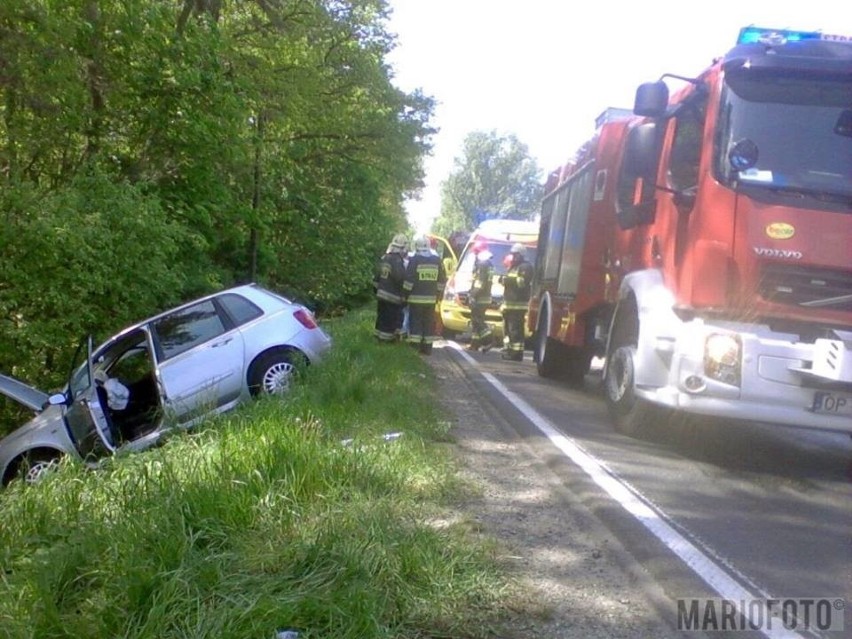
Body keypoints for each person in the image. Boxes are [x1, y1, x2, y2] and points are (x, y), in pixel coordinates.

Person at [403, 235, 446, 355]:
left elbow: (409, 280)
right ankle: (427, 348)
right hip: (431, 300)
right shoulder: (436, 260)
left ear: (417, 246)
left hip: (416, 299)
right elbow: (442, 280)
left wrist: (405, 295)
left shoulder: (415, 259)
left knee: (415, 322)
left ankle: (415, 347)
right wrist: (438, 295)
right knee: (428, 323)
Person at [500, 243, 534, 361]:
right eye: (512, 254)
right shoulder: (513, 266)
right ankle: (509, 350)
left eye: (515, 255)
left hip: (518, 306)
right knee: (508, 330)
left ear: (521, 255)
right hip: (509, 305)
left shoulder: (525, 267)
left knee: (515, 331)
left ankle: (516, 354)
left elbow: (521, 283)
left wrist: (506, 280)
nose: (513, 257)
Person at [373, 233, 408, 343]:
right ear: (402, 248)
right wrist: (404, 294)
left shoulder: (385, 258)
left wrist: (377, 291)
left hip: (381, 295)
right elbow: (399, 278)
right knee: (389, 320)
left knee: (381, 318)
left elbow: (376, 277)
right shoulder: (397, 261)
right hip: (392, 297)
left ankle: (378, 338)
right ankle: (386, 342)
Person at [468, 244, 494, 352]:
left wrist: (472, 295)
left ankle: (489, 340)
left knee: (477, 320)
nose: (475, 255)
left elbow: (480, 283)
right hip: (485, 297)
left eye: (476, 252)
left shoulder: (482, 264)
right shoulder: (489, 264)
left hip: (480, 297)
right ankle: (475, 344)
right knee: (476, 321)